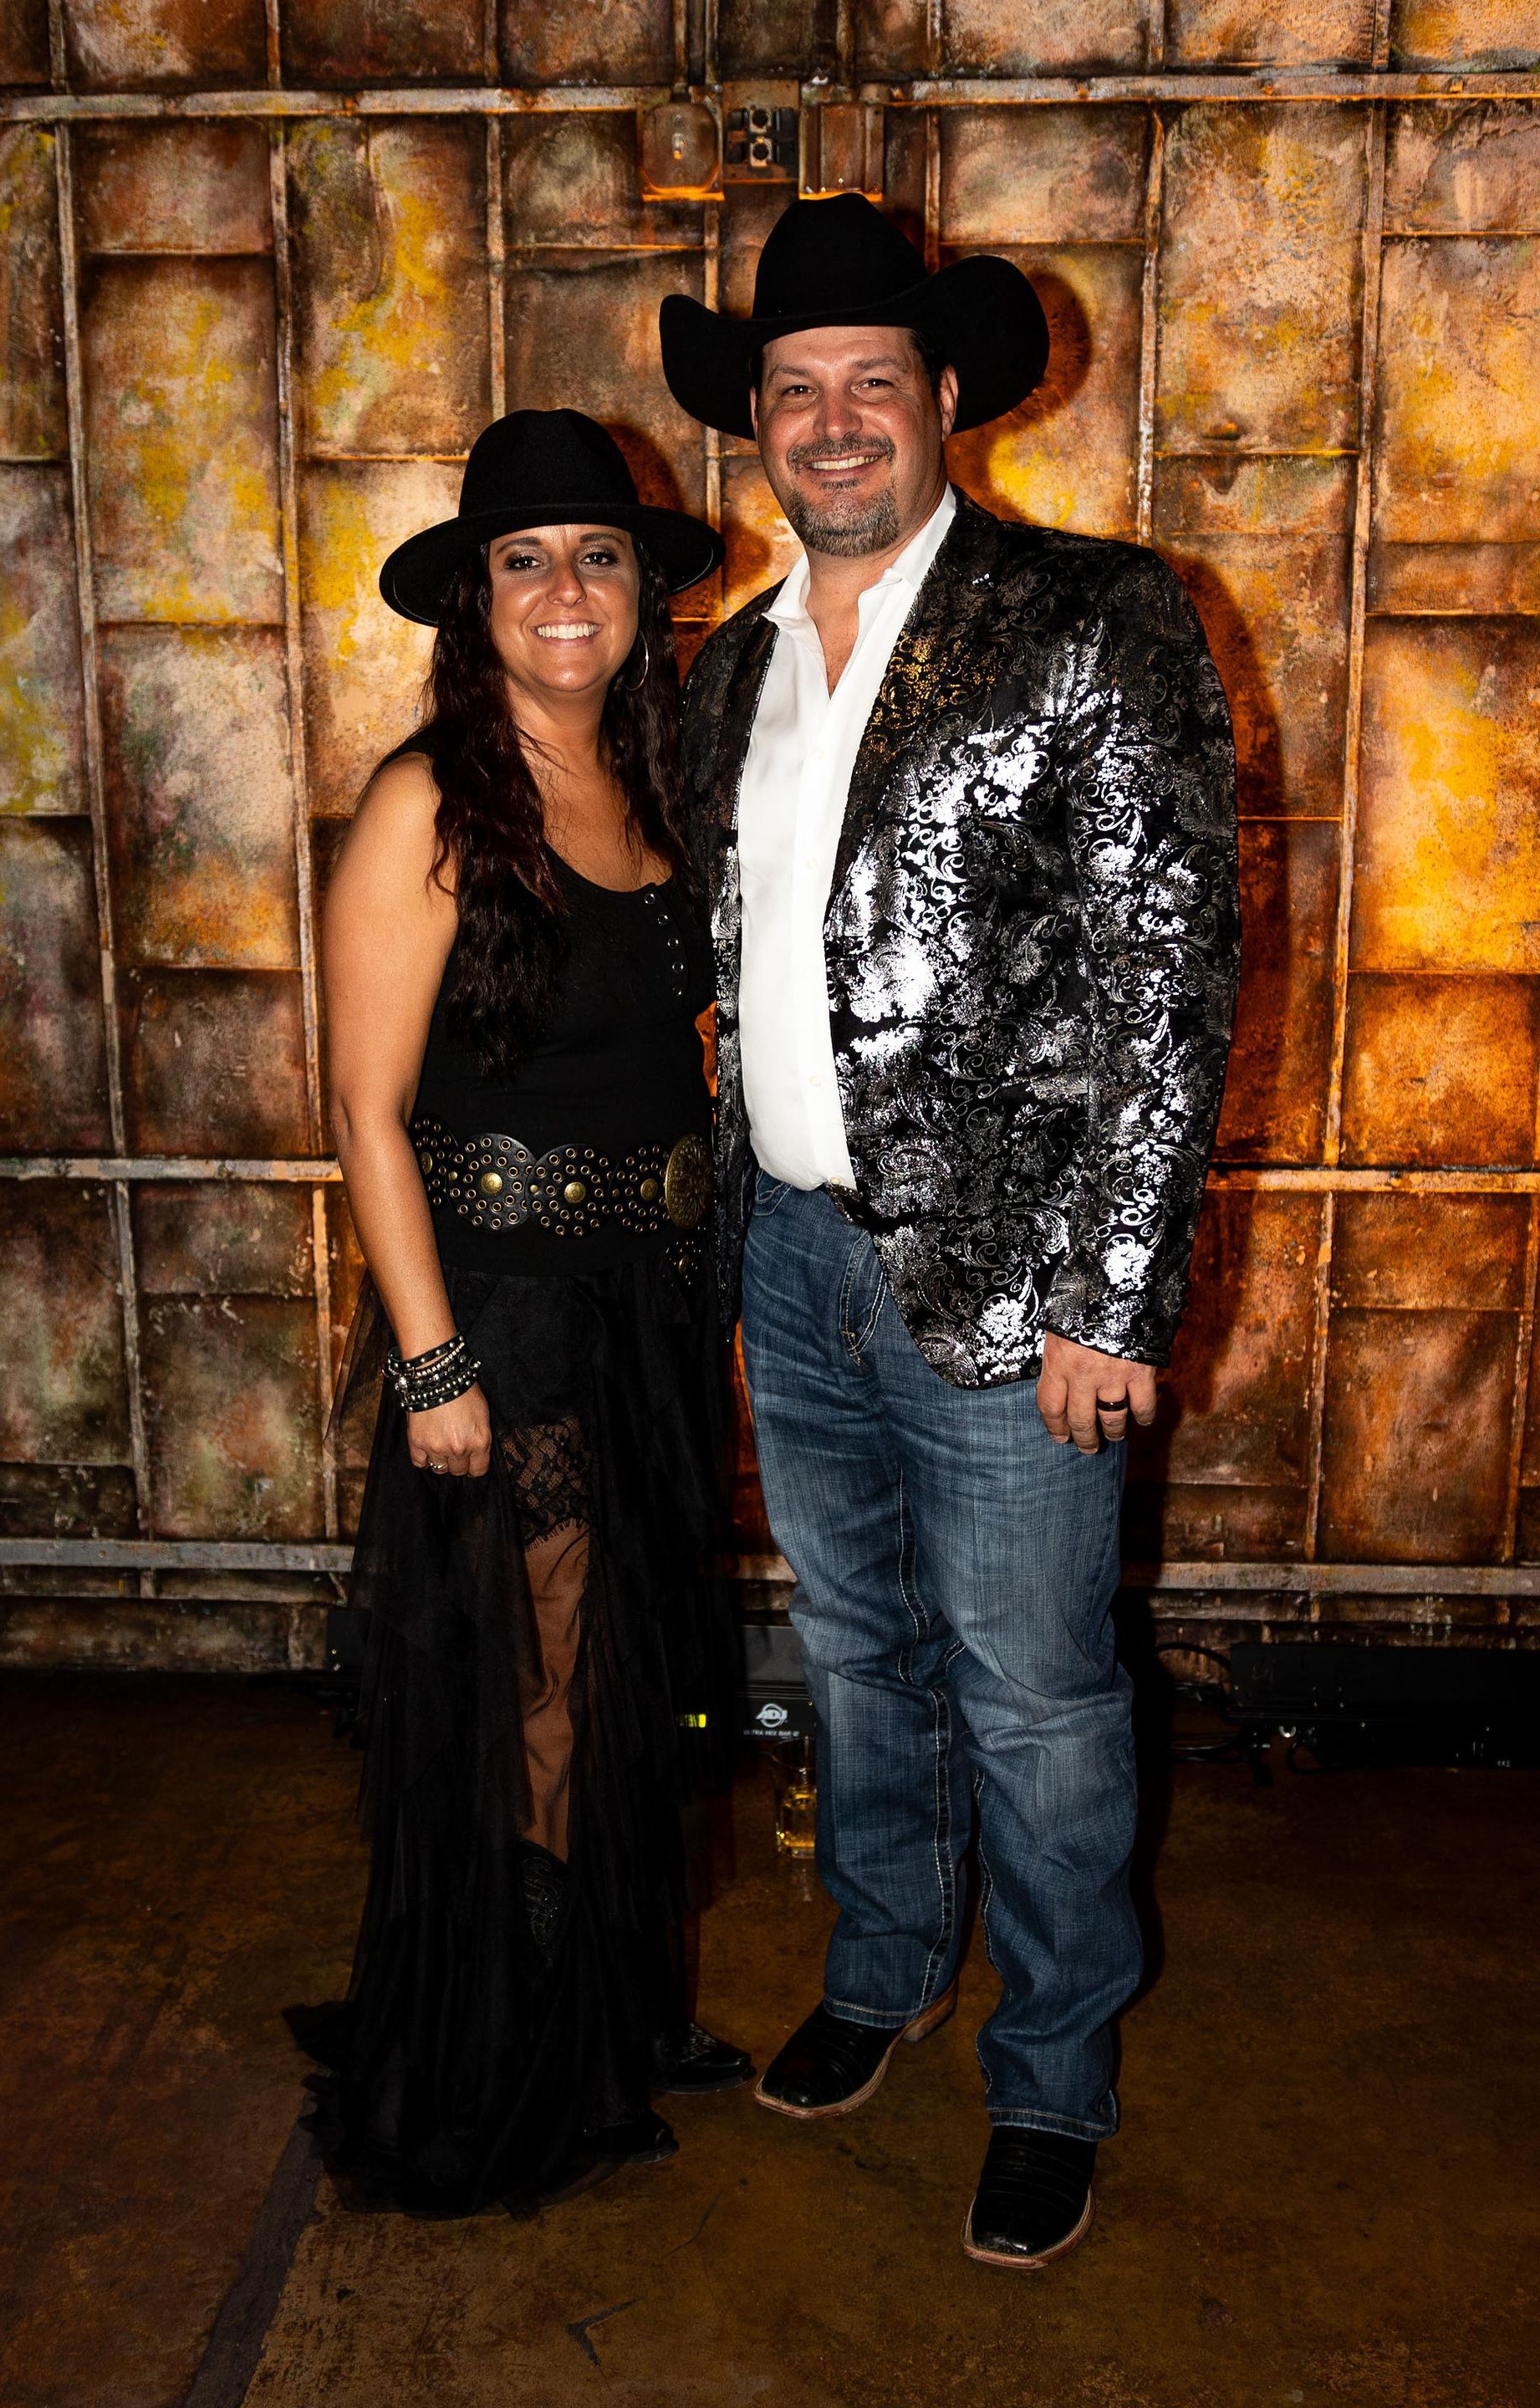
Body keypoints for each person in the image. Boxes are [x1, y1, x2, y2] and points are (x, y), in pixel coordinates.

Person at [662, 196, 1239, 2268]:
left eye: (869, 387)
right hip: (793, 1262)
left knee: (1039, 1694)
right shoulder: (724, 673)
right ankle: (890, 1964)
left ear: (945, 402)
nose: (831, 425)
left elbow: (1169, 980)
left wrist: (1110, 1297)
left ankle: (1056, 2073)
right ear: (760, 423)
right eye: (794, 391)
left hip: (1013, 1300)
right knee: (850, 1655)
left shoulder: (1091, 614)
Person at [303, 408, 750, 2217]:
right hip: (502, 1322)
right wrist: (433, 1361)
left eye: (597, 556)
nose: (566, 589)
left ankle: (604, 2007)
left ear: (642, 591)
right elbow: (361, 1106)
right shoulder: (430, 799)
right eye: (523, 559)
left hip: (643, 1312)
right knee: (542, 1694)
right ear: (473, 602)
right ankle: (509, 2052)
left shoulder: (650, 790)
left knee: (622, 1678)